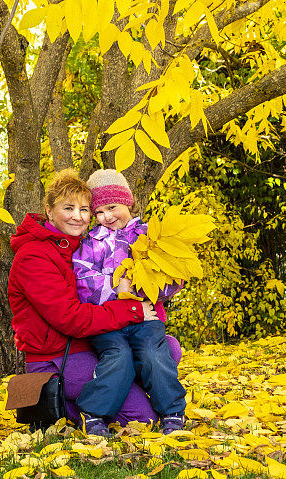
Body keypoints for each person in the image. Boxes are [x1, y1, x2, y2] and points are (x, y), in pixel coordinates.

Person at [7, 169, 183, 435]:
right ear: (49, 210)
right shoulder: (35, 256)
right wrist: (133, 307)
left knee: (168, 348)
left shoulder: (74, 243)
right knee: (142, 417)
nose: (78, 216)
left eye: (84, 209)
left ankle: (136, 396)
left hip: (88, 343)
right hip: (58, 356)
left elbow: (167, 278)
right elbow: (71, 318)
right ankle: (68, 405)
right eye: (68, 208)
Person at [72, 170, 186, 436]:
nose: (107, 217)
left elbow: (172, 277)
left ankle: (172, 411)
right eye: (98, 212)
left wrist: (150, 286)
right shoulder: (90, 243)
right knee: (118, 356)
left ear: (127, 202)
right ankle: (94, 413)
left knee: (154, 354)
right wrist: (118, 287)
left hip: (145, 318)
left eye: (111, 207)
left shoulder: (148, 237)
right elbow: (83, 281)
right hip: (109, 320)